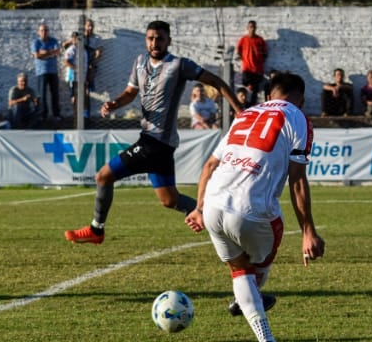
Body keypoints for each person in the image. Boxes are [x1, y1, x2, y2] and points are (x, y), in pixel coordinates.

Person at [185, 72, 325, 342]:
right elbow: (297, 180)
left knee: (239, 270)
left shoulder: (246, 114)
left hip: (213, 204)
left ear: (268, 96)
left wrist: (198, 208)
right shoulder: (298, 118)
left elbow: (211, 164)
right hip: (252, 211)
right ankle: (252, 301)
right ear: (300, 99)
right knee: (256, 271)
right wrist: (308, 231)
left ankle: (265, 338)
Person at [64, 20, 240, 245]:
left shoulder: (178, 65)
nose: (155, 42)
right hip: (157, 144)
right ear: (146, 40)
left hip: (154, 142)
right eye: (151, 38)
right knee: (169, 200)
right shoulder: (140, 63)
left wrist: (240, 111)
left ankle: (96, 230)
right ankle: (224, 221)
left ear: (169, 41)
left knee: (103, 176)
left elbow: (215, 80)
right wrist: (114, 104)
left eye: (160, 39)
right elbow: (130, 92)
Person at [31, 22, 62, 120]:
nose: (44, 32)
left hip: (53, 71)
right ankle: (43, 115)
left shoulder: (53, 41)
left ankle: (56, 114)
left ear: (48, 32)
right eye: (42, 30)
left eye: (46, 30)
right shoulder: (36, 42)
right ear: (38, 32)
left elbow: (57, 52)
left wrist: (44, 53)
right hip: (41, 72)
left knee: (55, 94)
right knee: (42, 95)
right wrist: (50, 53)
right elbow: (36, 55)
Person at [235, 20, 269, 98]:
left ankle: (252, 104)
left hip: (257, 69)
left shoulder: (260, 40)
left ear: (256, 28)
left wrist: (260, 60)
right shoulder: (243, 39)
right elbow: (239, 50)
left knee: (255, 90)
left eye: (253, 27)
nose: (252, 29)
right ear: (247, 28)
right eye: (250, 27)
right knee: (245, 82)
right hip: (247, 67)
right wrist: (242, 57)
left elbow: (265, 52)